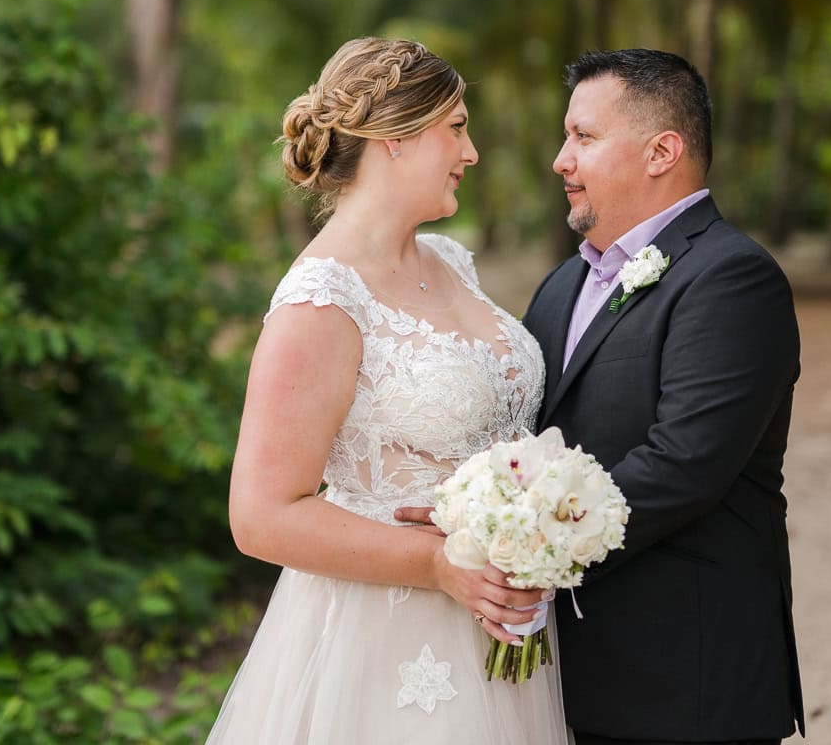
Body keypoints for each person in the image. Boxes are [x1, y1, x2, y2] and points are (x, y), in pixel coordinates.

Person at [205, 37, 570, 744]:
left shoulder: (451, 261)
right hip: (383, 643)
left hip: (496, 635)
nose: (472, 153)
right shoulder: (322, 300)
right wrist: (437, 564)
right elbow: (260, 515)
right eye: (457, 128)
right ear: (395, 139)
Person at [522, 48, 805, 744]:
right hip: (563, 679)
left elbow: (685, 463)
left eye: (583, 138)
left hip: (686, 687)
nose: (562, 159)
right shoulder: (561, 286)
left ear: (662, 151)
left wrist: (523, 547)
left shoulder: (732, 278)